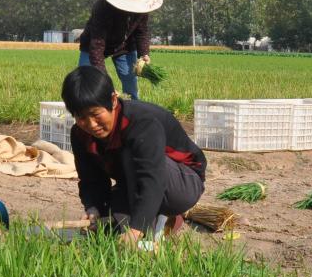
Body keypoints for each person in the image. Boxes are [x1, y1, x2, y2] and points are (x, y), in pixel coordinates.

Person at [62, 65, 205, 246]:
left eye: (96, 115)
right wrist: (94, 208)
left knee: (130, 155)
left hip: (182, 182)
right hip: (132, 183)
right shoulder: (79, 133)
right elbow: (90, 178)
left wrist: (136, 229)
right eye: (81, 117)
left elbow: (151, 177)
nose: (91, 124)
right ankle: (162, 220)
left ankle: (155, 222)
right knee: (108, 230)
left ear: (113, 100)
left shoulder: (142, 122)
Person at [77, 0, 162, 101]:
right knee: (87, 79)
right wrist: (106, 83)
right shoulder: (102, 8)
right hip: (93, 44)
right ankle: (88, 111)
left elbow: (141, 31)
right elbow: (97, 46)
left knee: (130, 82)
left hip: (124, 45)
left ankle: (131, 111)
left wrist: (144, 53)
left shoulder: (142, 9)